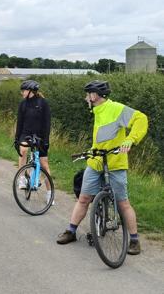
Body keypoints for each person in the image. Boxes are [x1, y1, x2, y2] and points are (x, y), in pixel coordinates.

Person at [56, 80, 148, 256]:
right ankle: (71, 231)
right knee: (83, 198)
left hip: (115, 164)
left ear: (95, 95)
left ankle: (135, 240)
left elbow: (141, 119)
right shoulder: (97, 111)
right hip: (96, 161)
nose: (86, 98)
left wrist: (130, 139)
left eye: (87, 94)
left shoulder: (116, 108)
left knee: (123, 203)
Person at [14, 80, 53, 204]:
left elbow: (47, 123)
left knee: (44, 165)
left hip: (40, 136)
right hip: (25, 134)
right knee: (23, 150)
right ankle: (22, 178)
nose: (22, 93)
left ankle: (49, 193)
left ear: (30, 91)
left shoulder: (43, 103)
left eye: (24, 90)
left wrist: (46, 140)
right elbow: (19, 122)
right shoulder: (23, 104)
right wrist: (16, 139)